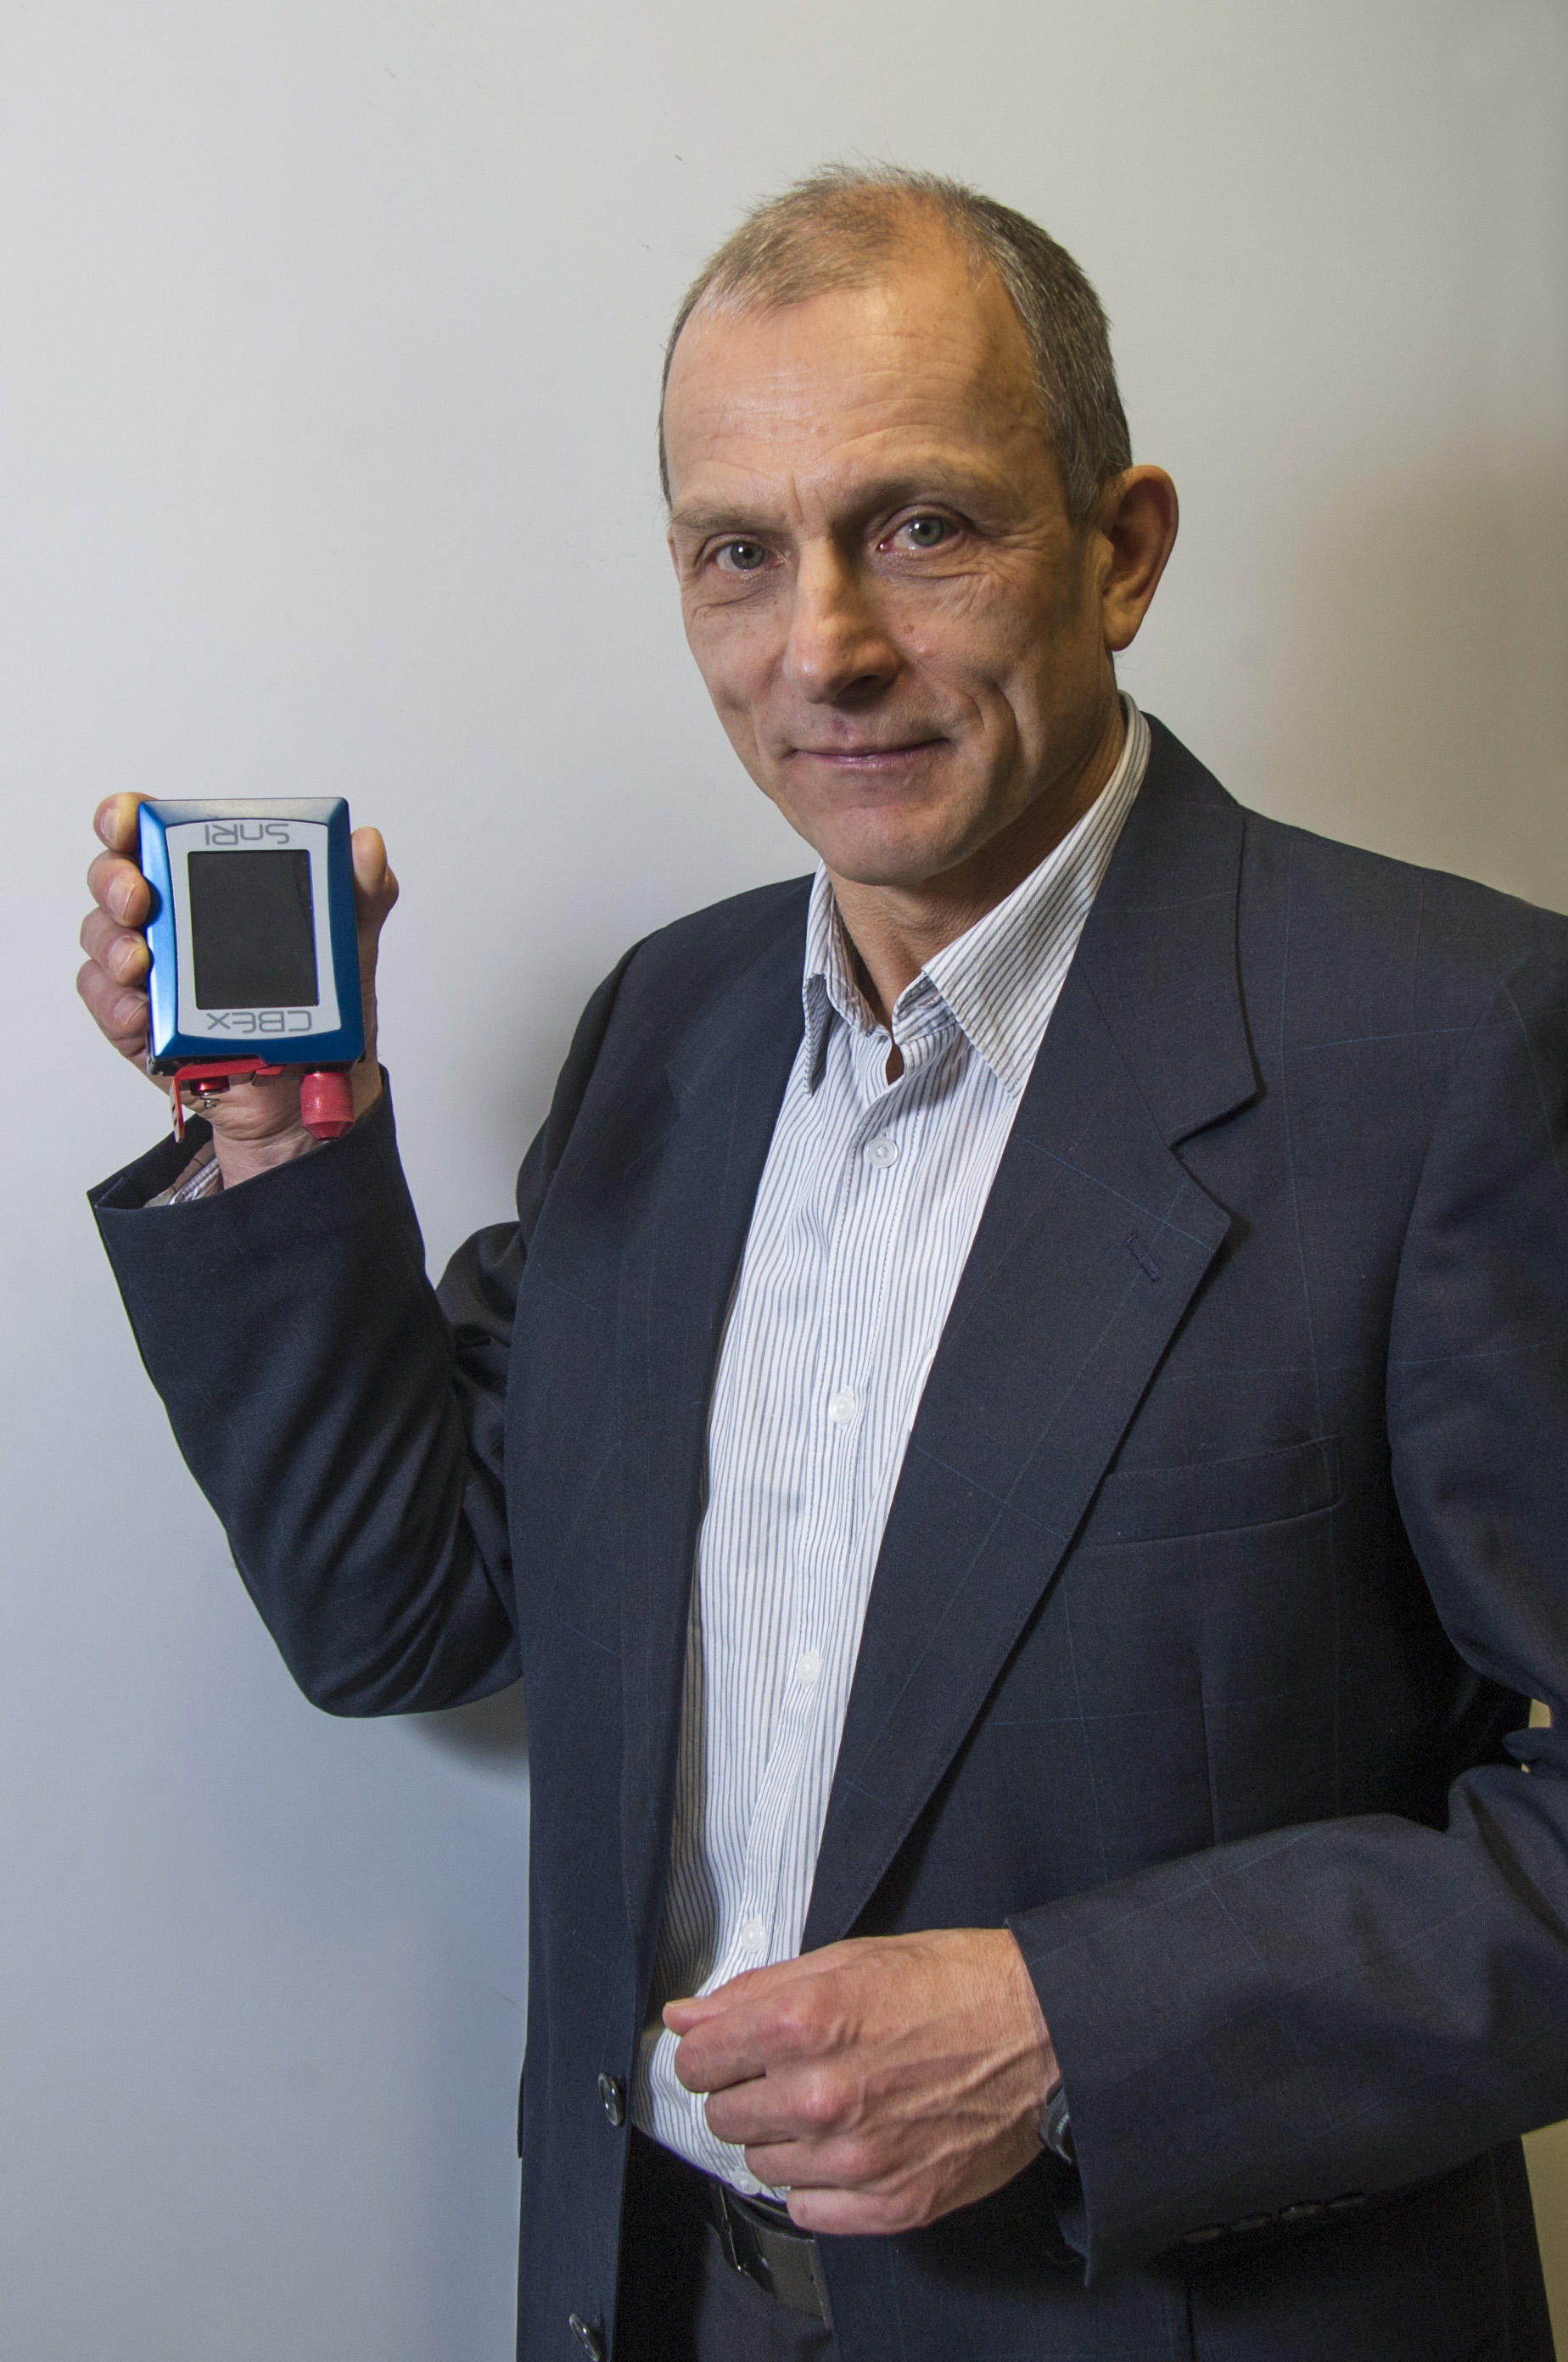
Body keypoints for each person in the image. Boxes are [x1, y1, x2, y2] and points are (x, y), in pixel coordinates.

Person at [78, 165, 1568, 2362]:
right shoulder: (667, 1028)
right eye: (738, 553)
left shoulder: (1459, 1046)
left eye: (924, 526)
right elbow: (404, 1608)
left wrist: (1076, 2027)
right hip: (652, 2297)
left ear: (1124, 548)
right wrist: (271, 1140)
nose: (823, 648)